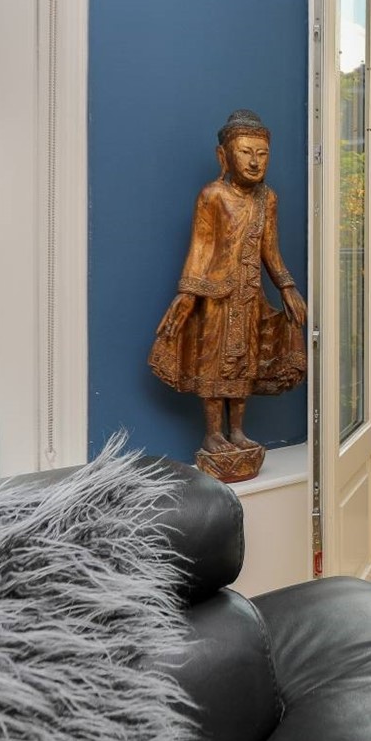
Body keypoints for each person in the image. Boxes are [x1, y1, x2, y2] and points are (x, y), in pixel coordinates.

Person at [149, 109, 307, 480]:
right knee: (214, 361)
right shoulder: (212, 195)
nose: (254, 162)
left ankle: (236, 430)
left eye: (262, 154)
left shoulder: (267, 199)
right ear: (224, 156)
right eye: (245, 152)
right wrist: (186, 295)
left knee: (244, 362)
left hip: (250, 294)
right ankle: (213, 434)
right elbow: (201, 247)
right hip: (216, 295)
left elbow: (270, 250)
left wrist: (287, 286)